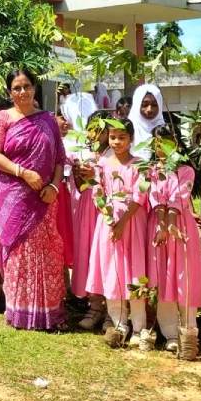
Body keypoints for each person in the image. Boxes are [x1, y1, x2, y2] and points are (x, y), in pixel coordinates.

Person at [0, 69, 66, 331]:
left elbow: (59, 160)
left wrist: (54, 185)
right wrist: (23, 172)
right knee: (19, 252)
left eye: (27, 86)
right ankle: (19, 311)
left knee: (45, 250)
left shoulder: (48, 120)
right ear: (10, 92)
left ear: (34, 88)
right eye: (17, 88)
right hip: (14, 198)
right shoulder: (2, 118)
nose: (22, 92)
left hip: (44, 197)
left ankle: (47, 312)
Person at [85, 120, 149, 348]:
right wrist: (109, 216)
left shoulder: (140, 165)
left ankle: (140, 326)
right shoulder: (102, 163)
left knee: (134, 270)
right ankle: (119, 322)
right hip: (108, 223)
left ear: (131, 139)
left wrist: (122, 221)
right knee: (113, 270)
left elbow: (140, 196)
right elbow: (97, 191)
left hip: (132, 222)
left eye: (122, 137)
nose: (117, 142)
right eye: (113, 137)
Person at [146, 125, 201, 353]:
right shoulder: (151, 169)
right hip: (159, 226)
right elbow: (155, 198)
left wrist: (170, 225)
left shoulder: (185, 170)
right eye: (157, 143)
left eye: (167, 141)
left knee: (183, 275)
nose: (161, 147)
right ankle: (169, 333)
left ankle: (188, 328)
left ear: (177, 143)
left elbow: (178, 198)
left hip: (180, 226)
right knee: (162, 276)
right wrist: (161, 225)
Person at [73, 112, 110, 330]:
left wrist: (96, 175)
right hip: (88, 208)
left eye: (101, 129)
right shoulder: (84, 152)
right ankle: (94, 305)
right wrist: (80, 175)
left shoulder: (115, 154)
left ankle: (111, 308)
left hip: (106, 208)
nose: (97, 133)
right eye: (92, 127)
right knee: (88, 254)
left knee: (106, 254)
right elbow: (81, 187)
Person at [126, 83, 165, 160]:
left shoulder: (166, 131)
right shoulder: (127, 129)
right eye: (144, 105)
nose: (149, 109)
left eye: (154, 105)